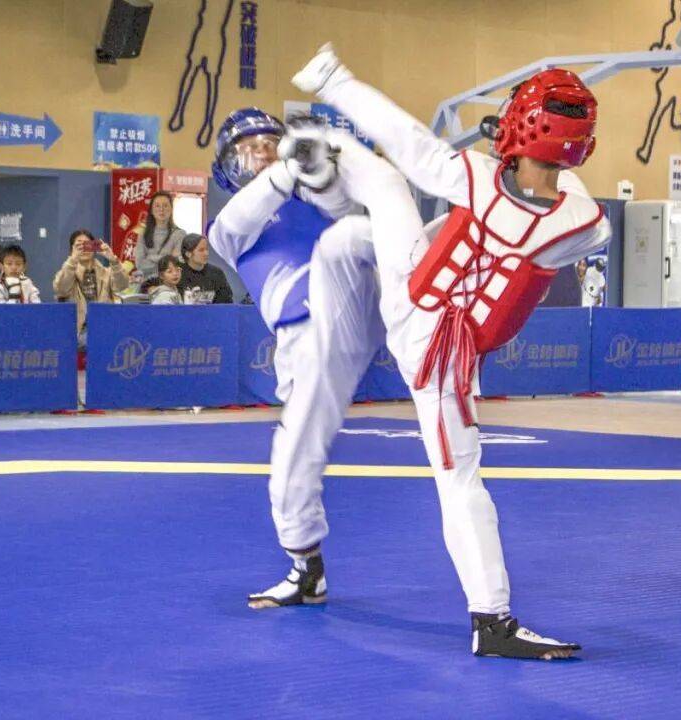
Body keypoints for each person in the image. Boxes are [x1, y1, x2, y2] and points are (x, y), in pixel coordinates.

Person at [291, 45, 612, 659]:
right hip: (441, 345)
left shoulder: (473, 176)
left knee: (386, 183)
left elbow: (404, 135)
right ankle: (491, 620)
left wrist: (334, 81)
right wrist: (542, 161)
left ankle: (312, 143)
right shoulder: (583, 224)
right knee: (460, 480)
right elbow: (562, 199)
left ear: (521, 123)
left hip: (423, 322)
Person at [207, 108, 385, 616]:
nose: (261, 153)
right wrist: (290, 164)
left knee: (355, 233)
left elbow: (348, 207)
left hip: (357, 299)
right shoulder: (228, 229)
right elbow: (246, 212)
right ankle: (306, 567)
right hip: (307, 335)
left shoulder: (320, 201)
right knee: (291, 460)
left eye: (269, 142)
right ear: (228, 169)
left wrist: (319, 166)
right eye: (249, 150)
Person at [53, 229, 128, 345]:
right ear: (72, 249)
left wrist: (113, 260)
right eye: (79, 245)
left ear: (94, 247)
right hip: (76, 332)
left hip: (104, 329)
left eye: (87, 244)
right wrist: (72, 260)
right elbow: (61, 289)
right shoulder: (67, 273)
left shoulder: (106, 273)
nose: (84, 248)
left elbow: (122, 285)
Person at [134, 191, 186, 279]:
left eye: (165, 205)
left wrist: (150, 258)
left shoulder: (180, 234)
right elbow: (140, 264)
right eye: (157, 206)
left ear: (171, 209)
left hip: (170, 283)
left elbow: (176, 263)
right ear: (151, 210)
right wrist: (167, 258)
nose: (161, 209)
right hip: (148, 284)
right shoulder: (143, 234)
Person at [179, 233, 233, 304]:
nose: (206, 253)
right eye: (201, 250)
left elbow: (226, 301)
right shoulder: (178, 274)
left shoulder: (217, 273)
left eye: (206, 249)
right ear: (188, 254)